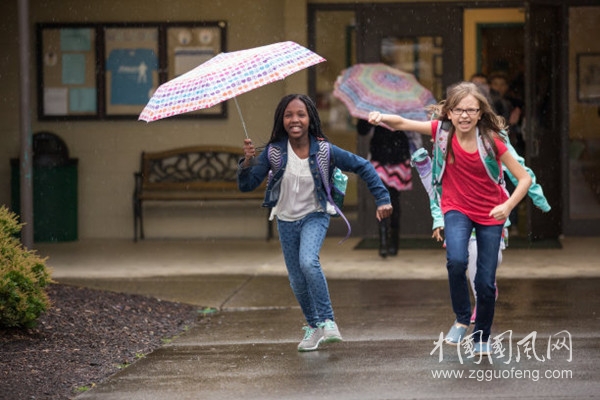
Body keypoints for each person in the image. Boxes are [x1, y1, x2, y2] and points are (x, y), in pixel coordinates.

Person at [368, 82, 532, 356]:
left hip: (492, 213)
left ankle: (482, 335)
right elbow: (402, 123)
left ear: (480, 113)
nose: (465, 115)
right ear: (449, 113)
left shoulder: (492, 141)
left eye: (471, 110)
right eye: (458, 110)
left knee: (485, 281)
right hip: (457, 209)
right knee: (456, 261)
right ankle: (461, 317)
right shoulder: (442, 133)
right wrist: (381, 117)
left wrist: (508, 205)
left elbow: (524, 178)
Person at [238, 94, 393, 352]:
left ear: (310, 119)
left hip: (315, 214)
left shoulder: (324, 150)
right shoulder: (274, 151)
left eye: (301, 114)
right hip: (286, 220)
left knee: (308, 262)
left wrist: (382, 198)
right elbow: (246, 186)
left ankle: (328, 321)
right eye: (289, 115)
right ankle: (314, 327)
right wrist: (246, 163)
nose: (295, 120)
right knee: (297, 280)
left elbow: (363, 166)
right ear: (281, 120)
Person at [412, 128, 551, 325]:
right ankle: (480, 303)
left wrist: (537, 196)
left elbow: (520, 170)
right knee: (466, 261)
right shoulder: (443, 151)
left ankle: (487, 288)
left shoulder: (489, 141)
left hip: (490, 212)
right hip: (460, 216)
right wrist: (438, 217)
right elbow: (435, 190)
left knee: (490, 260)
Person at [356, 119, 417, 258]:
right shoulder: (373, 107)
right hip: (379, 156)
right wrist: (371, 120)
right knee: (382, 198)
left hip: (399, 156)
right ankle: (383, 241)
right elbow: (362, 130)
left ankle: (394, 239)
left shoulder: (403, 107)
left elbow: (412, 129)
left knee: (394, 199)